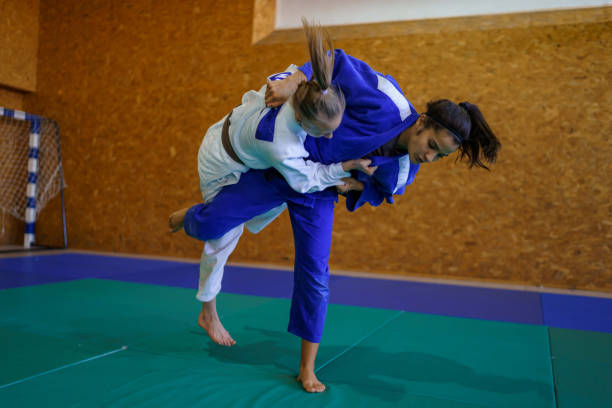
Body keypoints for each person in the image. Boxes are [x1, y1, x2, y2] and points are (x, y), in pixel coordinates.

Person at [170, 25, 501, 393]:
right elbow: (334, 60)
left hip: (319, 191)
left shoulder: (408, 166)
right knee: (211, 224)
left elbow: (383, 191)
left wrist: (353, 183)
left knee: (315, 273)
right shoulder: (387, 101)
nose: (429, 156)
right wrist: (295, 81)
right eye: (431, 144)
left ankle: (307, 368)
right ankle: (192, 217)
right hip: (282, 168)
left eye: (440, 155)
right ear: (422, 122)